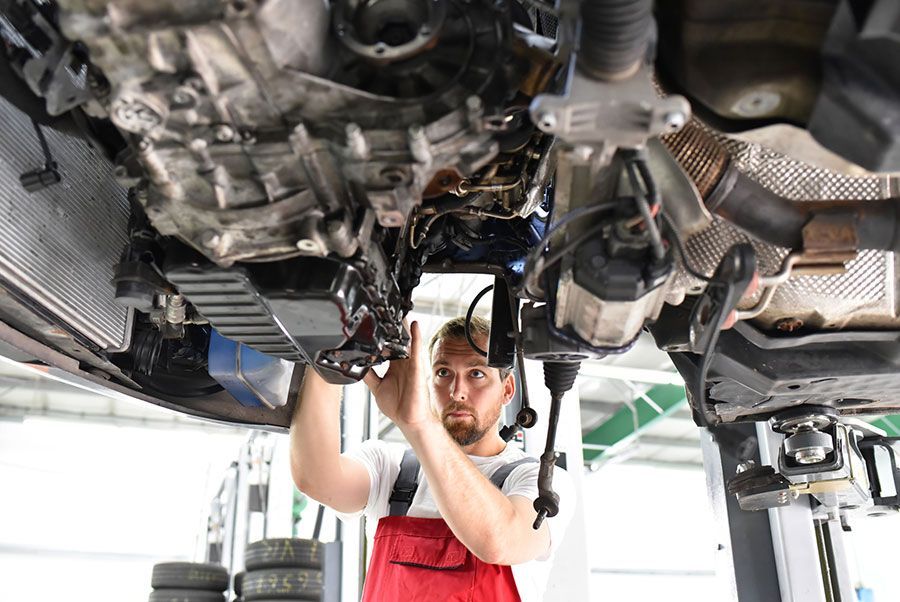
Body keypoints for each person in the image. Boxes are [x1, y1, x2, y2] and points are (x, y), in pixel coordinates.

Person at [289, 315, 575, 602]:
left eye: (476, 374)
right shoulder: (391, 468)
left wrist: (422, 424)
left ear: (507, 390)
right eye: (443, 373)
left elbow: (498, 540)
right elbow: (316, 478)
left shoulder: (541, 482)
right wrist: (329, 355)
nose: (457, 391)